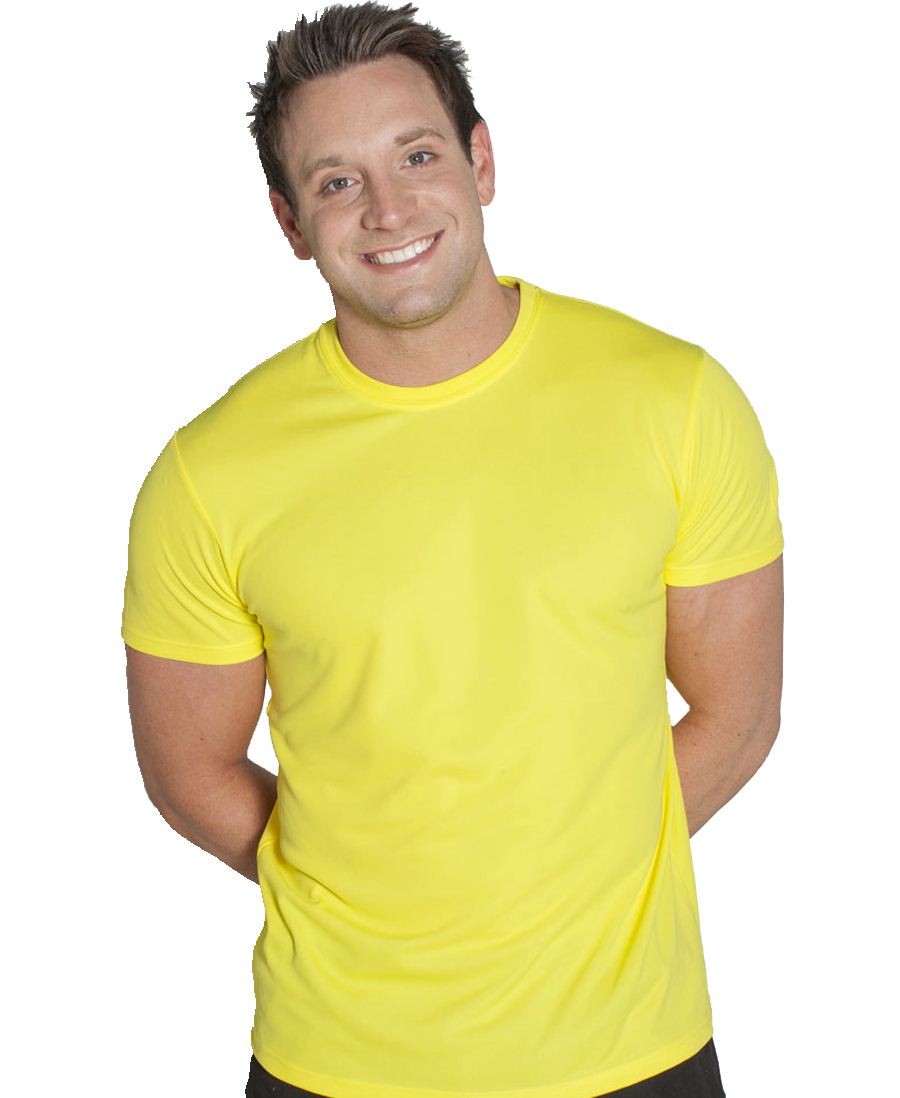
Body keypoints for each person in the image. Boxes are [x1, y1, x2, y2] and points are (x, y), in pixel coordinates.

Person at [121, 3, 784, 1096]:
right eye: (337, 181)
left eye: (417, 156)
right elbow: (188, 774)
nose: (387, 209)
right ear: (290, 222)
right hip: (336, 1063)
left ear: (481, 161)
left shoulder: (677, 402)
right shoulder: (208, 473)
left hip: (633, 1052)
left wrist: (571, 884)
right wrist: (362, 881)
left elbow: (738, 715)